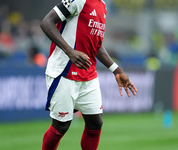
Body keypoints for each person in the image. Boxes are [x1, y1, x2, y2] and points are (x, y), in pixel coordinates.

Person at [40, 0, 138, 150]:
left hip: (88, 74)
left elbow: (95, 45)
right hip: (64, 72)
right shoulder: (77, 0)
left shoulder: (103, 6)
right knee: (61, 126)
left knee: (95, 123)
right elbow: (46, 22)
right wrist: (69, 51)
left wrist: (117, 70)